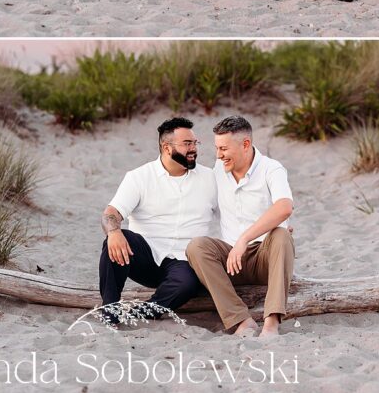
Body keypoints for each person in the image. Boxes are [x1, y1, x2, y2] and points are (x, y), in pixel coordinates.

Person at [99, 118, 217, 323]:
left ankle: (145, 312)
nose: (194, 149)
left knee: (186, 284)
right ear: (166, 147)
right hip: (146, 255)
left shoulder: (211, 178)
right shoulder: (139, 177)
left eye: (195, 143)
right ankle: (110, 311)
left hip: (185, 259)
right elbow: (111, 212)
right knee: (115, 241)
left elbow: (236, 211)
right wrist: (114, 232)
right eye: (187, 144)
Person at [186, 116, 295, 338]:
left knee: (281, 235)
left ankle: (271, 322)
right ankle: (241, 321)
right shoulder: (219, 170)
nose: (219, 155)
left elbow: (284, 207)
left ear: (245, 145)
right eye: (217, 148)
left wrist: (244, 239)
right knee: (197, 246)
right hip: (233, 262)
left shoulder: (271, 169)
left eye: (224, 149)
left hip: (266, 258)